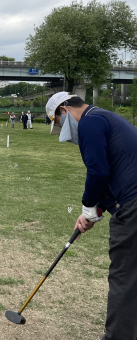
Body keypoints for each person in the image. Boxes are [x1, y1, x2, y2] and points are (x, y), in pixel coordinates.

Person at [46, 92, 137, 339]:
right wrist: (95, 209)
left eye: (57, 123)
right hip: (129, 200)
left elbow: (97, 171)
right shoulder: (102, 116)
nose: (60, 130)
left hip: (132, 207)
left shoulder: (89, 122)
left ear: (64, 110)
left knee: (124, 276)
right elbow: (112, 170)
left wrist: (88, 205)